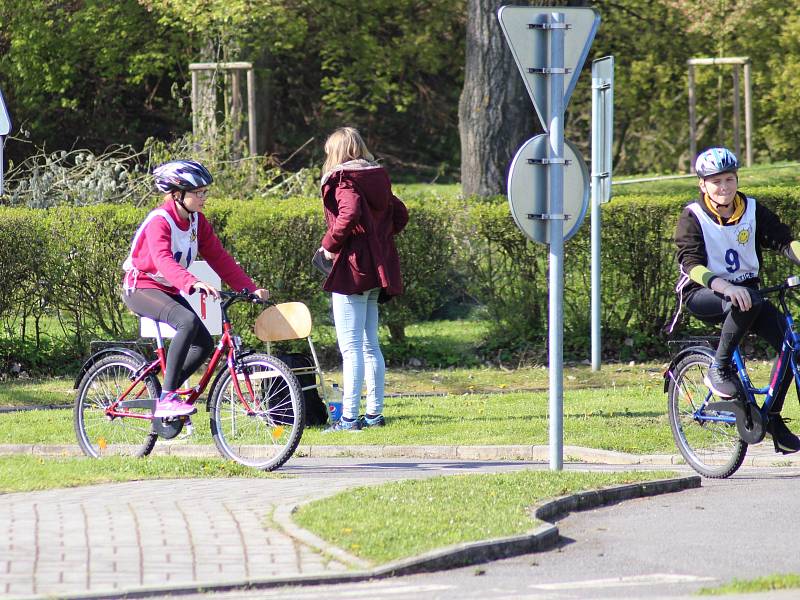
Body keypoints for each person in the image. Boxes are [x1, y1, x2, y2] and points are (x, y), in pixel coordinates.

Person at [674, 146, 800, 454]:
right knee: (746, 301)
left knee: (793, 346)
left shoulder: (752, 210)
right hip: (703, 294)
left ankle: (771, 419)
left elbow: (783, 240)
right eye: (715, 181)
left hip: (749, 295)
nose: (724, 187)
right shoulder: (692, 217)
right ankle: (718, 368)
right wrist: (726, 287)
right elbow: (690, 265)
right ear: (702, 184)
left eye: (729, 179)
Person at [122, 159, 269, 418]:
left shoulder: (196, 221)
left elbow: (219, 257)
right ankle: (167, 398)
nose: (203, 198)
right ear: (177, 194)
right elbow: (162, 260)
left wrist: (249, 288)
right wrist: (192, 282)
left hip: (167, 289)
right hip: (141, 286)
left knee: (202, 343)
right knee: (187, 322)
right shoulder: (160, 220)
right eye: (198, 193)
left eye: (205, 192)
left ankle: (164, 398)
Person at [318, 127, 408, 431]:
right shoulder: (377, 176)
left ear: (337, 152)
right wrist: (378, 239)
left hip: (352, 270)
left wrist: (330, 245)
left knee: (351, 347)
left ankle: (349, 418)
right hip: (376, 269)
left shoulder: (343, 180)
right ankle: (374, 414)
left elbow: (350, 211)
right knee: (371, 345)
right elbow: (401, 214)